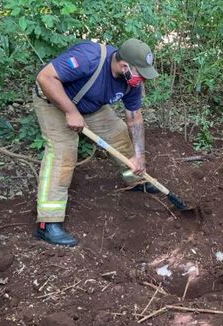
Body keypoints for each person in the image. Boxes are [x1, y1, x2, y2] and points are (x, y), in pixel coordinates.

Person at [33, 38, 159, 247]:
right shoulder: (89, 58)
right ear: (124, 66)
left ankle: (136, 180)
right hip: (54, 101)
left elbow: (134, 118)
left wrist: (140, 155)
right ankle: (48, 223)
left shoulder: (131, 82)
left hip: (91, 106)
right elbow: (45, 77)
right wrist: (71, 112)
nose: (143, 80)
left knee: (119, 133)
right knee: (63, 153)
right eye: (141, 74)